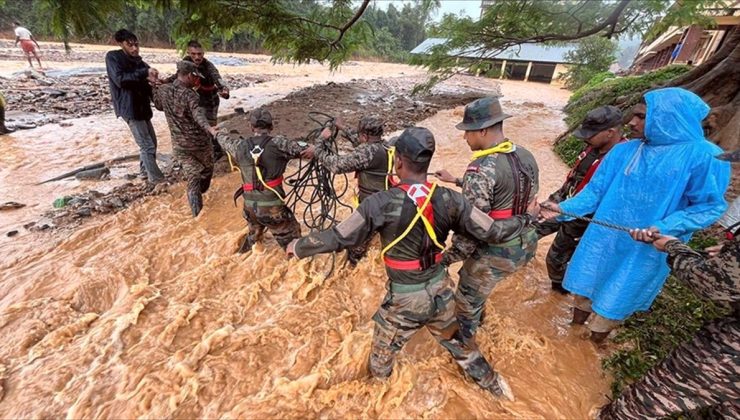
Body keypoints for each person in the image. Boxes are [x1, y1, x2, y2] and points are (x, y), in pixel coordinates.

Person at [287, 127, 541, 400]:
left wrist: (299, 246)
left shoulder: (379, 203)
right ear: (427, 162)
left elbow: (340, 237)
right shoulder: (450, 199)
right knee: (464, 351)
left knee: (380, 365)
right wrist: (527, 218)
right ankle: (499, 392)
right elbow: (492, 231)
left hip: (404, 301)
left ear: (397, 161)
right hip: (441, 292)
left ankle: (376, 402)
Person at [540, 88, 731, 343]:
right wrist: (562, 209)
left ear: (669, 117)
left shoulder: (706, 157)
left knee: (617, 297)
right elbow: (595, 192)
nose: (632, 123)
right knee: (585, 286)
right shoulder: (624, 151)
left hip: (647, 247)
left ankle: (593, 344)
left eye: (641, 116)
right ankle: (572, 339)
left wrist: (665, 226)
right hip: (602, 238)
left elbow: (709, 206)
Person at [601, 150, 739, 418]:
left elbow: (712, 283)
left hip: (729, 353)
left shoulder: (700, 156)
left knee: (639, 407)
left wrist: (674, 246)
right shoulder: (630, 151)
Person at [434, 96, 539, 341]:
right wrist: (457, 181)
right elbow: (515, 194)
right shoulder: (525, 155)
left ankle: (466, 351)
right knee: (481, 290)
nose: (464, 138)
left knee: (465, 305)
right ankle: (482, 318)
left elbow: (474, 232)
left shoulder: (479, 169)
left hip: (498, 251)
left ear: (482, 131)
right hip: (526, 244)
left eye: (467, 132)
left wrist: (445, 260)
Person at [535, 106, 625, 294]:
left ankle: (560, 291)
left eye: (591, 133)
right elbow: (576, 177)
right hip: (564, 199)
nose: (586, 137)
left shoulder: (623, 158)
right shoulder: (593, 147)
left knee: (555, 258)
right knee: (530, 229)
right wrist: (556, 200)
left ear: (610, 133)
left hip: (584, 217)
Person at [216, 108, 311, 252]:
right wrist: (322, 139)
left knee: (253, 242)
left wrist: (216, 132)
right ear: (271, 127)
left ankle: (243, 256)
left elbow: (223, 140)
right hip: (272, 208)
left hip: (250, 208)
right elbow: (306, 150)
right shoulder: (279, 144)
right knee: (294, 246)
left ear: (251, 127)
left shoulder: (239, 146)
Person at [309, 116, 393, 265]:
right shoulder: (385, 146)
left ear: (365, 136)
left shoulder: (367, 152)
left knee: (356, 244)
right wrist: (343, 128)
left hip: (371, 207)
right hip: (386, 201)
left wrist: (319, 144)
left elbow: (337, 165)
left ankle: (351, 267)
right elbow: (361, 143)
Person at [153, 61, 217, 217]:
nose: (197, 81)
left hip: (182, 147)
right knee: (197, 176)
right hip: (196, 146)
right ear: (189, 75)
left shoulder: (163, 90)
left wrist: (155, 85)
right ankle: (199, 218)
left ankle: (198, 213)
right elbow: (198, 114)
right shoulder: (190, 95)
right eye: (196, 77)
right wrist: (209, 128)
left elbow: (158, 105)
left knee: (200, 175)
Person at [105, 29, 164, 184]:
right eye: (129, 45)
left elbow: (148, 83)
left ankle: (145, 173)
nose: (134, 48)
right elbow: (120, 80)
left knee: (152, 143)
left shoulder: (140, 62)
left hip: (143, 108)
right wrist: (145, 72)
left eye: (136, 45)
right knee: (147, 146)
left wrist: (155, 83)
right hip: (129, 108)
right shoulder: (113, 58)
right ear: (121, 44)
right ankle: (157, 180)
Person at [165, 40, 230, 160]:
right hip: (193, 100)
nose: (197, 57)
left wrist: (225, 90)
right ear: (189, 53)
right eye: (194, 54)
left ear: (203, 53)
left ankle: (217, 151)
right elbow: (177, 77)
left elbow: (218, 78)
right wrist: (164, 82)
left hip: (210, 100)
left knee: (210, 127)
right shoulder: (185, 63)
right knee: (194, 126)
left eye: (200, 54)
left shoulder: (208, 66)